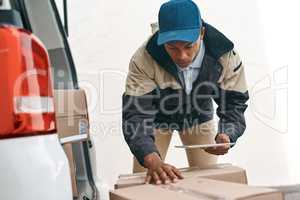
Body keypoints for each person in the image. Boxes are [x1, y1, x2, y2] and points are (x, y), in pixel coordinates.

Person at [122, 0, 249, 185]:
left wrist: (227, 134)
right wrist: (150, 157)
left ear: (202, 33)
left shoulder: (225, 56)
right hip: (156, 119)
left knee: (209, 180)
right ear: (161, 39)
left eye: (189, 46)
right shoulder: (143, 59)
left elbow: (234, 102)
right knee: (145, 180)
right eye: (172, 47)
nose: (182, 56)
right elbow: (135, 113)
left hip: (199, 117)